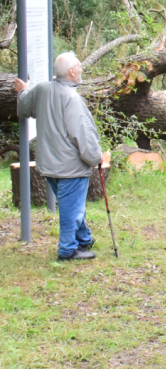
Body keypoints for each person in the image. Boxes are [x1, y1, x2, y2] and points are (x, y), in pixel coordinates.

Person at [15, 52, 104, 261]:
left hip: (49, 164)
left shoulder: (42, 89)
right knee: (71, 210)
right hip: (70, 168)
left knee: (72, 205)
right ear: (72, 72)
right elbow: (82, 134)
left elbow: (24, 106)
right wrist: (95, 157)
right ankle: (67, 250)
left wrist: (23, 91)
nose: (82, 70)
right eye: (80, 67)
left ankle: (84, 238)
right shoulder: (72, 98)